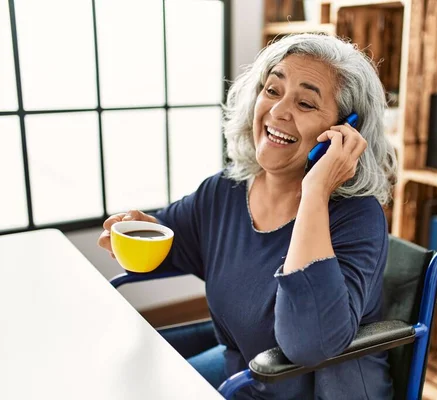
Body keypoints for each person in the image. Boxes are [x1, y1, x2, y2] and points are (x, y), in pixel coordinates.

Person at [98, 33, 397, 399]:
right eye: (272, 90)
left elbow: (309, 344)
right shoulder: (225, 189)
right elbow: (167, 244)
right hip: (244, 375)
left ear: (345, 131)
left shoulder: (357, 216)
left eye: (305, 102)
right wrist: (133, 232)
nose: (278, 110)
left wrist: (315, 193)